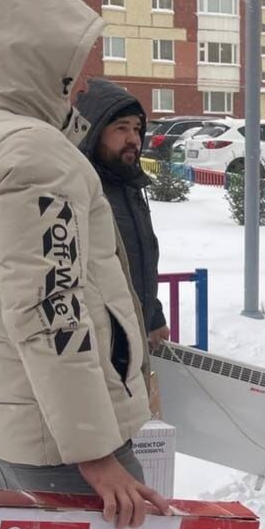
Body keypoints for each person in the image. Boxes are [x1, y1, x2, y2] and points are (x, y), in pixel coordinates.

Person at [0, 0, 169, 529]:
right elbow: (50, 308)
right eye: (80, 61)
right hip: (67, 446)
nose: (85, 83)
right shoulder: (30, 150)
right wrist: (96, 453)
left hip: (11, 426)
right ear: (44, 58)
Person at [74, 80, 171, 349]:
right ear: (93, 132)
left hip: (131, 336)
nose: (134, 139)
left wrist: (153, 316)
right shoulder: (78, 188)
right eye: (121, 128)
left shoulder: (129, 187)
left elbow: (134, 264)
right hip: (99, 343)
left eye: (137, 129)